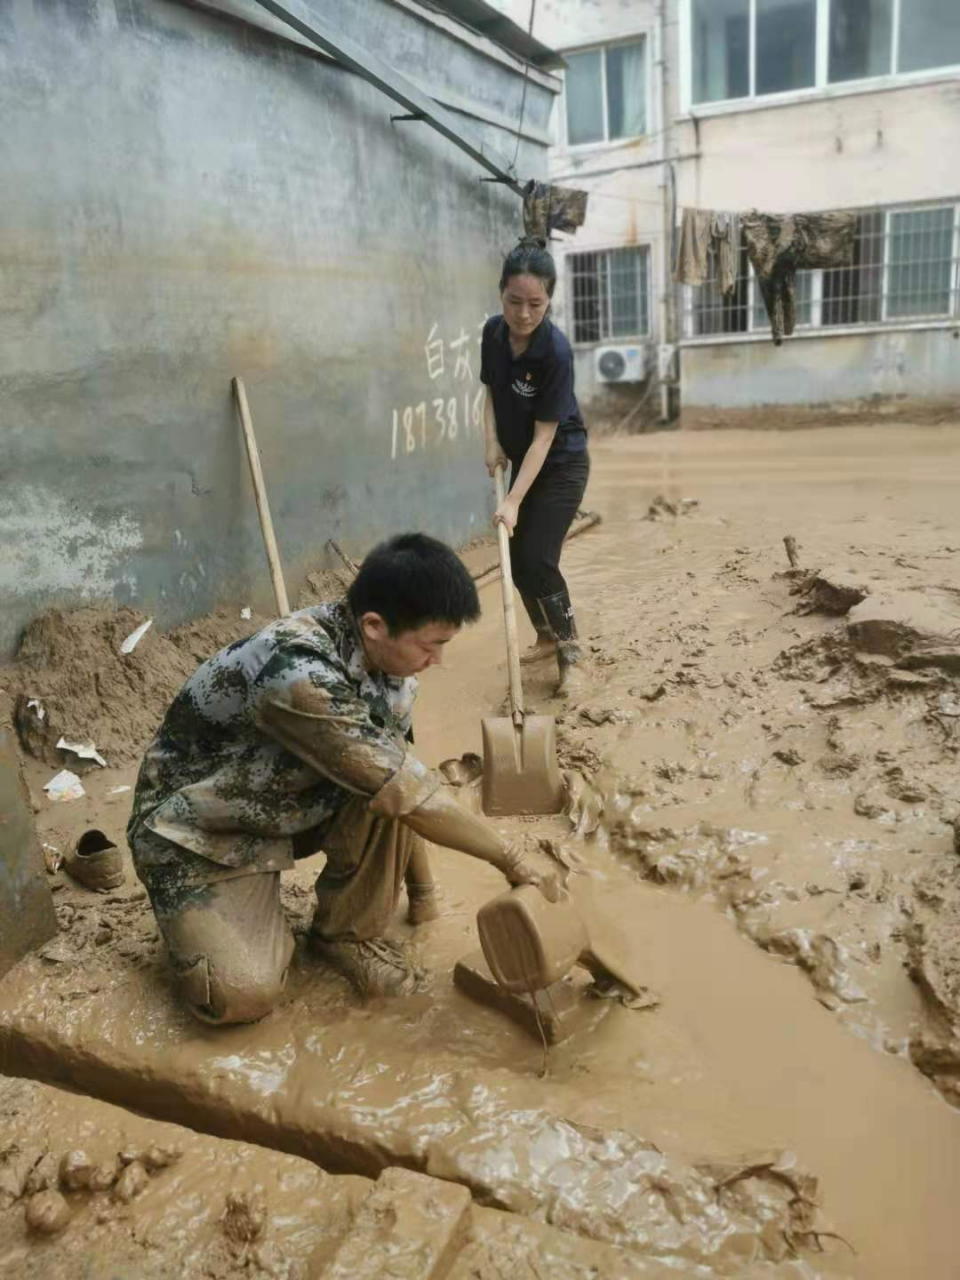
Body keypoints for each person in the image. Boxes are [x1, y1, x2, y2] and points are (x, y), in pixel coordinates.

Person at [126, 533, 555, 1026]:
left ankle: (344, 935)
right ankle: (203, 919)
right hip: (198, 834)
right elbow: (415, 798)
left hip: (282, 805)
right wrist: (512, 860)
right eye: (432, 645)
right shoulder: (295, 672)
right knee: (244, 994)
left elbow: (402, 781)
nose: (439, 661)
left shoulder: (391, 668)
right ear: (375, 625)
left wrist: (424, 897)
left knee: (388, 779)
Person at [480, 237, 590, 696]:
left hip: (560, 465)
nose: (523, 314)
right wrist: (490, 442)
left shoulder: (556, 354)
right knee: (518, 563)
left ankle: (573, 653)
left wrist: (513, 501)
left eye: (535, 304)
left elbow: (545, 436)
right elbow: (488, 391)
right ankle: (545, 636)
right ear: (501, 292)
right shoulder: (492, 332)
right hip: (520, 461)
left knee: (537, 559)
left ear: (548, 300)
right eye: (514, 301)